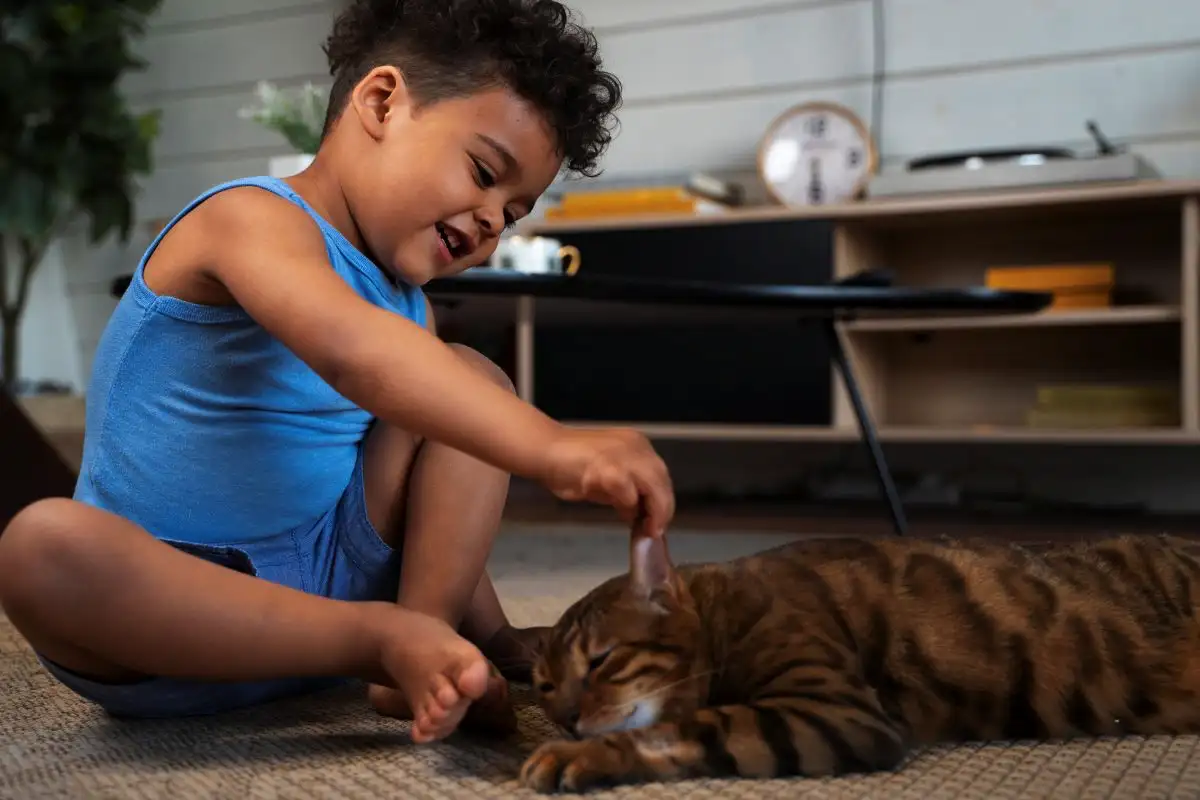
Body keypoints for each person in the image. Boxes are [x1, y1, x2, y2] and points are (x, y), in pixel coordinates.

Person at [0, 0, 674, 744]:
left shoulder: (408, 304)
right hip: (165, 618)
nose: (490, 220)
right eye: (484, 172)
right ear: (381, 102)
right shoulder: (249, 220)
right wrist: (552, 446)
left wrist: (494, 633)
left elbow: (430, 492)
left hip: (324, 572)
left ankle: (424, 647)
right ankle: (380, 641)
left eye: (513, 214)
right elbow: (357, 355)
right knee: (40, 547)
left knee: (470, 380)